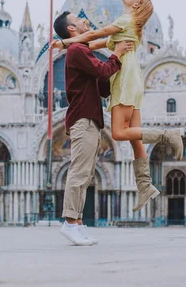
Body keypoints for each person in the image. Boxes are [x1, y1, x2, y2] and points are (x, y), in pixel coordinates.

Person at [52, 0, 183, 214]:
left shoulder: (125, 19)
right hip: (133, 78)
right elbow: (97, 44)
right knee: (135, 137)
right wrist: (73, 47)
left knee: (120, 133)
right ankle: (144, 186)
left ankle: (168, 135)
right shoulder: (129, 26)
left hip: (124, 78)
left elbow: (95, 34)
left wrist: (64, 43)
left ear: (136, 5)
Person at [53, 13, 134, 246]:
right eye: (78, 20)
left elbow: (102, 85)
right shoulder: (76, 50)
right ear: (71, 29)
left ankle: (77, 224)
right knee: (79, 172)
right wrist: (116, 54)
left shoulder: (83, 51)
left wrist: (118, 67)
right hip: (83, 119)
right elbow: (101, 71)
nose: (83, 20)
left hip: (91, 119)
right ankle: (69, 222)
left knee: (87, 174)